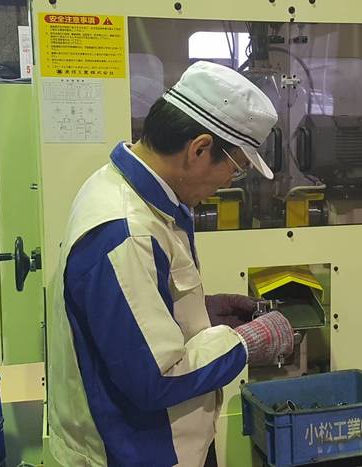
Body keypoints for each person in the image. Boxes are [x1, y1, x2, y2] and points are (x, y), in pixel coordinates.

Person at [46, 61, 295, 467]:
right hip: (136, 452)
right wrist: (246, 343)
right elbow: (155, 378)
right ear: (199, 149)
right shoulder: (126, 232)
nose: (227, 183)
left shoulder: (121, 186)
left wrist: (200, 310)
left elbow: (127, 313)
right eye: (235, 169)